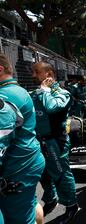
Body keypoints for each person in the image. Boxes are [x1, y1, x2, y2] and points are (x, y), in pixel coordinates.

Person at [31, 61, 78, 223]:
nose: (33, 76)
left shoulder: (62, 93)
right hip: (39, 141)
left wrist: (45, 90)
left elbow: (51, 107)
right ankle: (51, 199)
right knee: (43, 174)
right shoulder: (36, 93)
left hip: (55, 143)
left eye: (36, 72)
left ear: (48, 74)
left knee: (61, 175)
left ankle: (72, 206)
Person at [0, 54, 45, 224]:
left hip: (17, 166)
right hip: (27, 160)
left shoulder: (6, 95)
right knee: (29, 207)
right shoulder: (16, 90)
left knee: (19, 217)